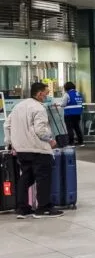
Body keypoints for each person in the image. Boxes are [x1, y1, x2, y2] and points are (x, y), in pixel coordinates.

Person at [3, 82, 63, 219]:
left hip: (21, 149)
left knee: (26, 177)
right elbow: (41, 131)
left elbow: (7, 125)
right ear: (39, 93)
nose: (47, 96)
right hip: (38, 149)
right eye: (46, 93)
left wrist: (10, 142)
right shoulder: (39, 108)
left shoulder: (18, 106)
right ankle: (43, 208)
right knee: (43, 178)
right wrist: (51, 140)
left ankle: (22, 208)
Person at [62, 81, 85, 147]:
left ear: (66, 87)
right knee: (77, 127)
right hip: (78, 113)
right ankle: (81, 142)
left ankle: (71, 143)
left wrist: (59, 105)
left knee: (69, 128)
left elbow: (63, 104)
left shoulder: (67, 94)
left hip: (69, 114)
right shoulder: (79, 93)